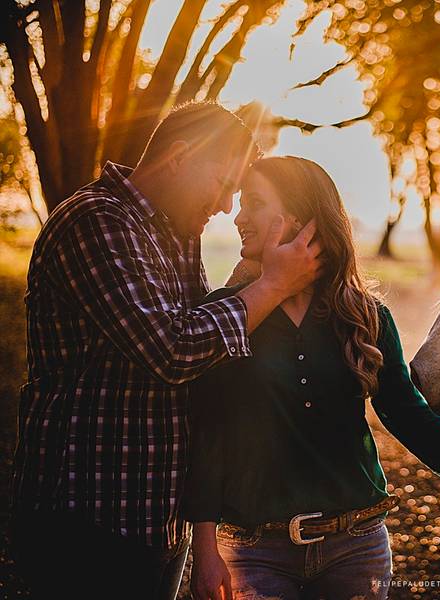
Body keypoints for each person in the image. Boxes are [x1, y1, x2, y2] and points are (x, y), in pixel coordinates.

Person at [184, 156, 440, 600]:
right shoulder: (226, 316)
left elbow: (413, 420)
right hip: (255, 554)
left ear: (298, 218)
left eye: (253, 203)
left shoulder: (365, 318)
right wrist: (204, 547)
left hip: (356, 549)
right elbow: (207, 436)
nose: (238, 217)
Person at [10, 103, 322, 600]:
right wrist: (271, 286)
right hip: (89, 516)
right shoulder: (96, 221)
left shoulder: (177, 233)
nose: (224, 206)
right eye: (222, 184)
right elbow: (173, 350)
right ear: (179, 157)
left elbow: (204, 341)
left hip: (158, 516)